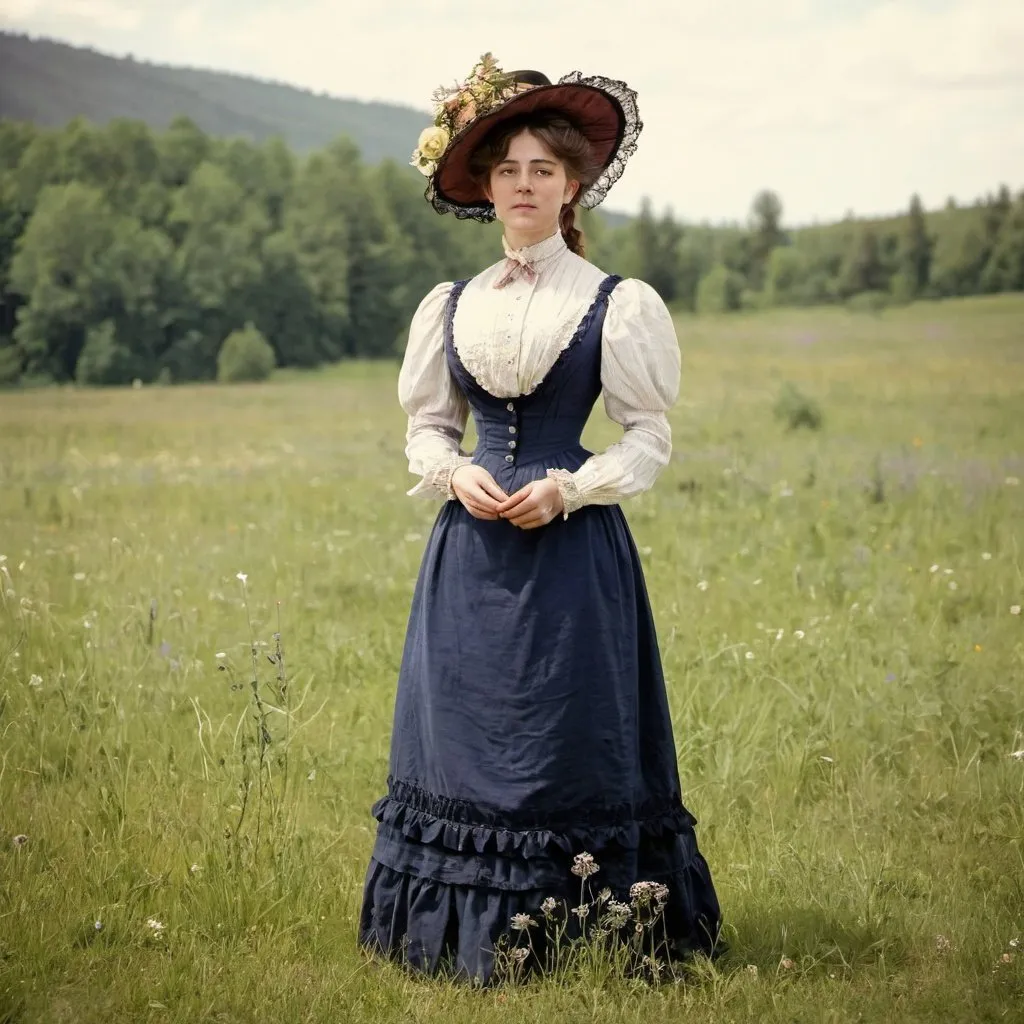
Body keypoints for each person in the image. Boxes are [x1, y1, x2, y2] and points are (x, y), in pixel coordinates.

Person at [359, 55, 721, 983]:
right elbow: (428, 426)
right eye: (508, 169)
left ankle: (599, 931)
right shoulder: (451, 305)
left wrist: (570, 489)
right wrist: (451, 474)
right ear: (485, 185)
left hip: (575, 554)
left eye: (543, 171)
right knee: (472, 736)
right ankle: (462, 940)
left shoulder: (615, 303)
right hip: (471, 555)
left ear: (571, 188)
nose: (525, 185)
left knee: (569, 730)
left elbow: (648, 437)